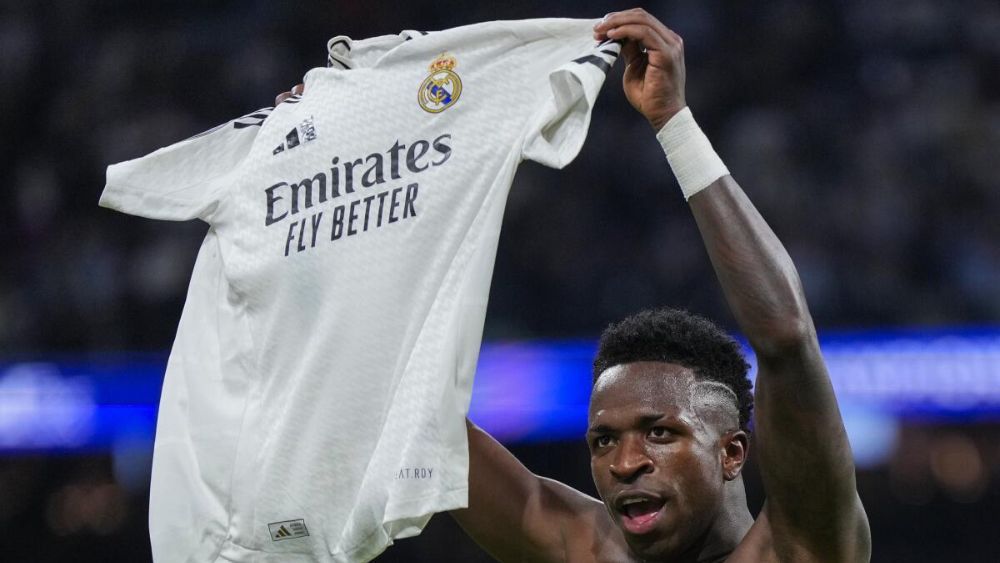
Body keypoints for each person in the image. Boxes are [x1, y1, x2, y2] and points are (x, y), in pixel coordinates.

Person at [274, 9, 870, 561]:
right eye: (603, 441)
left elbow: (787, 338)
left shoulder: (801, 549)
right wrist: (324, 173)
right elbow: (396, 396)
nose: (626, 463)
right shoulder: (586, 549)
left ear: (732, 452)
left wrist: (673, 123)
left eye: (659, 432)